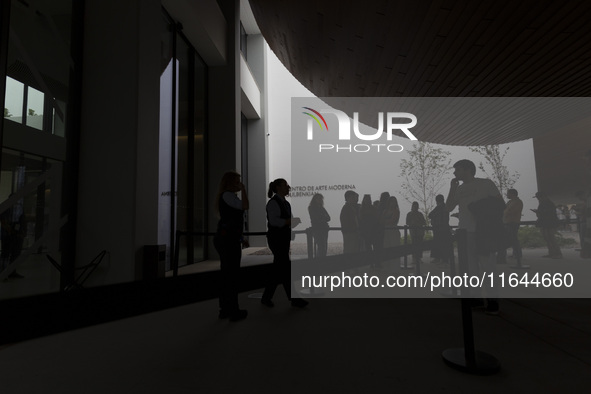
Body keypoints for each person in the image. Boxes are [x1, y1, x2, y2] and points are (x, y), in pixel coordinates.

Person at [446, 159, 503, 315]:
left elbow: (499, 204)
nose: (454, 173)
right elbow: (448, 207)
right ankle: (476, 298)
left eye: (457, 170)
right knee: (470, 269)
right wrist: (452, 188)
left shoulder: (486, 184)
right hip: (464, 232)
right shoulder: (459, 188)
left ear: (467, 169)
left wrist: (483, 213)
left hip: (483, 231)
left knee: (488, 266)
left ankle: (493, 301)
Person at [261, 178, 308, 308]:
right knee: (285, 268)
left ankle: (267, 297)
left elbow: (285, 220)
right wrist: (289, 222)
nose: (288, 187)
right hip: (277, 239)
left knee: (278, 269)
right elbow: (274, 221)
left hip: (282, 238)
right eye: (285, 185)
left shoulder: (285, 203)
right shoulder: (273, 203)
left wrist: (291, 222)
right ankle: (294, 298)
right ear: (277, 187)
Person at [213, 171, 249, 321]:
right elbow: (245, 206)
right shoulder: (227, 196)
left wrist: (241, 237)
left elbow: (232, 222)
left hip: (228, 238)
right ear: (229, 182)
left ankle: (225, 309)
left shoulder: (228, 196)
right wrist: (245, 189)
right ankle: (232, 310)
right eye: (237, 181)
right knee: (231, 275)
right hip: (227, 240)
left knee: (228, 274)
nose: (239, 184)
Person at [0, 195, 26, 279]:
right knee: (5, 254)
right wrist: (11, 231)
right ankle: (3, 272)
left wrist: (22, 233)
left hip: (17, 236)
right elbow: (3, 222)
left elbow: (22, 221)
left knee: (15, 254)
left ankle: (12, 272)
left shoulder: (19, 208)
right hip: (8, 236)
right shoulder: (5, 208)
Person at [533, 191, 562, 259]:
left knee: (551, 238)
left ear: (543, 196)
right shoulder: (545, 203)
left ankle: (558, 253)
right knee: (548, 238)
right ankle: (552, 253)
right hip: (546, 223)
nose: (538, 199)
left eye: (538, 197)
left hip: (550, 223)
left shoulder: (548, 203)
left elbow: (549, 214)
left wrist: (538, 212)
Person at [498, 188, 523, 264]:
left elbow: (510, 211)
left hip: (513, 222)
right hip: (507, 222)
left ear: (512, 194)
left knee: (513, 239)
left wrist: (505, 212)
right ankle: (516, 254)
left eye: (508, 193)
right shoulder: (510, 202)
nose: (507, 195)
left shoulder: (518, 202)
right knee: (512, 239)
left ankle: (518, 254)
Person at [428, 194, 453, 265]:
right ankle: (441, 259)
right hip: (442, 228)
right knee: (442, 244)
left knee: (442, 244)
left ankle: (443, 260)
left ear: (437, 200)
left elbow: (430, 215)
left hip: (440, 228)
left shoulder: (439, 207)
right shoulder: (444, 207)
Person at [308, 193, 331, 258]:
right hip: (317, 230)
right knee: (321, 246)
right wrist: (323, 218)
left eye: (321, 199)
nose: (320, 200)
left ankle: (322, 260)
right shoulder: (311, 208)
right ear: (314, 199)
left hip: (324, 229)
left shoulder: (322, 208)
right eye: (319, 198)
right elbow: (315, 218)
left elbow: (329, 218)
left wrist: (321, 218)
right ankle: (319, 262)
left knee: (324, 246)